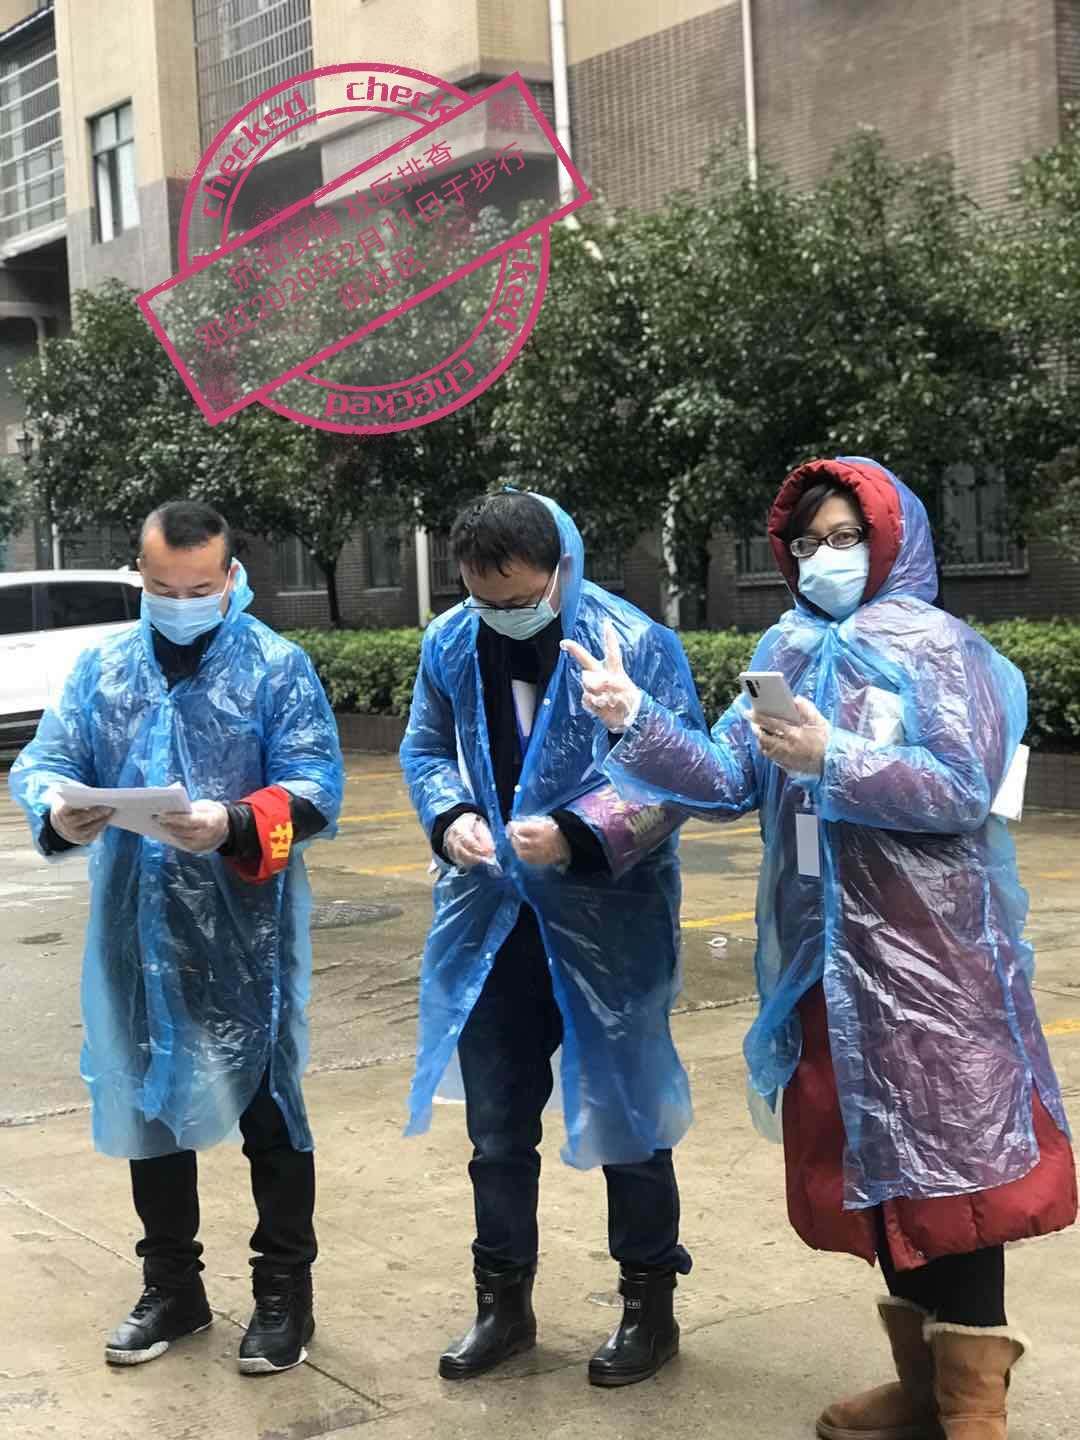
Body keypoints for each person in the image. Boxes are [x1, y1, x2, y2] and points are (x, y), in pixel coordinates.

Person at [563, 457, 1077, 1440]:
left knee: (952, 1174)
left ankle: (974, 1400)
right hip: (822, 965)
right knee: (873, 1164)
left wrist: (835, 755)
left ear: (889, 540)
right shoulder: (787, 647)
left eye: (845, 537)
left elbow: (962, 786)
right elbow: (726, 777)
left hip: (932, 961)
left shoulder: (939, 649)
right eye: (807, 543)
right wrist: (637, 720)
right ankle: (924, 1386)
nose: (824, 557)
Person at [9, 502, 344, 1376]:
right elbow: (46, 761)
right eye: (164, 587)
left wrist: (233, 821)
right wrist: (60, 811)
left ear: (231, 578)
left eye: (199, 588)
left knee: (270, 1112)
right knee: (150, 1101)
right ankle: (173, 1287)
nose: (182, 602)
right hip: (137, 928)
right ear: (142, 576)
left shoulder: (276, 667)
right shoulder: (104, 669)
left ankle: (284, 1294)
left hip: (248, 935)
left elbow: (317, 786)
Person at [400, 490, 709, 1387]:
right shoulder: (451, 643)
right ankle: (503, 1304)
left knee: (628, 1117)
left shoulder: (635, 643)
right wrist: (451, 816)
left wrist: (579, 833)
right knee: (497, 1129)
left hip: (610, 921)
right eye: (481, 599)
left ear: (560, 569)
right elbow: (426, 748)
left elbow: (679, 777)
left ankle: (649, 1306)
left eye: (517, 598)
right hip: (493, 919)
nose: (500, 615)